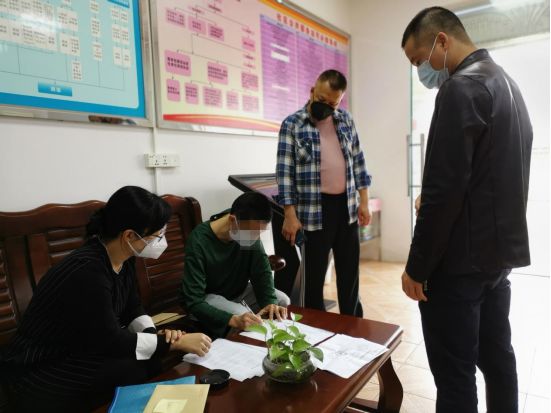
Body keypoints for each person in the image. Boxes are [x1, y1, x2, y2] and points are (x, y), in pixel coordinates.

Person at [401, 7, 532, 413]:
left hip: (458, 265)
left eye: (419, 60)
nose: (422, 71)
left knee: (454, 375)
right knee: (498, 359)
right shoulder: (507, 84)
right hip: (496, 260)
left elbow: (442, 191)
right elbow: (491, 174)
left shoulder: (460, 88)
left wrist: (417, 268)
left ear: (441, 40)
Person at [2, 186, 212, 413]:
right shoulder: (87, 271)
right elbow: (111, 340)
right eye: (157, 236)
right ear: (129, 235)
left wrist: (154, 335)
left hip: (83, 346)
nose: (161, 241)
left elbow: (132, 307)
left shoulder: (123, 257)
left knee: (147, 360)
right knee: (134, 368)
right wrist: (173, 343)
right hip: (42, 366)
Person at [276, 69, 371, 317]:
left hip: (347, 207)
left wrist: (364, 201)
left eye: (332, 103)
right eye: (321, 99)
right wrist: (289, 214)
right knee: (314, 277)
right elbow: (284, 173)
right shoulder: (292, 124)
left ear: (340, 101)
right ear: (312, 91)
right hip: (314, 210)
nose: (326, 107)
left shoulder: (346, 120)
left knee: (349, 273)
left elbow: (359, 161)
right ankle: (316, 326)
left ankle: (353, 323)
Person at [181, 192, 290, 338]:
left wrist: (269, 303)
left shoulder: (248, 227)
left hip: (240, 291)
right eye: (252, 234)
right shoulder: (199, 241)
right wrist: (233, 319)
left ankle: (266, 342)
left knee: (281, 302)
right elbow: (193, 301)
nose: (255, 239)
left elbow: (262, 272)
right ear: (233, 220)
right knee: (242, 315)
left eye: (259, 234)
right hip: (208, 298)